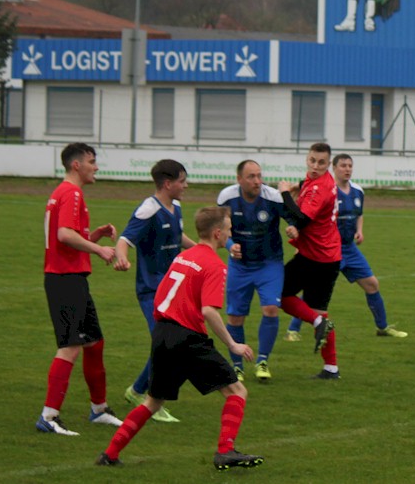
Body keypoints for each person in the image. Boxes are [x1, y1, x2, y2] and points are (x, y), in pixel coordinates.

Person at [96, 207, 264, 471]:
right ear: (218, 233)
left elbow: (162, 296)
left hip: (163, 332)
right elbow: (209, 310)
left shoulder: (183, 257)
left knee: (153, 401)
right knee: (237, 390)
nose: (230, 234)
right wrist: (232, 344)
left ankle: (110, 453)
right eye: (229, 229)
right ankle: (225, 451)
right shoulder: (215, 266)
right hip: (188, 338)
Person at [36, 142, 122, 436]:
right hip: (65, 279)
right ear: (77, 165)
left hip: (71, 278)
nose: (95, 166)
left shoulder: (64, 192)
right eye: (92, 161)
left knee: (94, 342)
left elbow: (67, 234)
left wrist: (93, 235)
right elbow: (63, 235)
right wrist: (99, 249)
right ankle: (49, 415)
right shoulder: (71, 192)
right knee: (70, 346)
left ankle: (99, 409)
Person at [285, 153, 407, 340]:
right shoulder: (327, 189)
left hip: (349, 249)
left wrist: (360, 230)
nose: (347, 169)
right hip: (327, 250)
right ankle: (293, 330)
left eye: (350, 165)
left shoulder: (358, 191)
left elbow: (359, 214)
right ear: (333, 168)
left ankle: (382, 327)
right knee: (312, 292)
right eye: (343, 165)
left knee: (372, 284)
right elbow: (310, 218)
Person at [113, 159, 195, 422]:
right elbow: (125, 239)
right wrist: (122, 257)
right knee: (167, 345)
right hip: (152, 291)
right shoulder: (149, 209)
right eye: (182, 181)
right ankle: (149, 400)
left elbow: (178, 238)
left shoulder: (177, 207)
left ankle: (137, 390)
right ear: (168, 183)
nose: (186, 185)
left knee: (170, 344)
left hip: (174, 289)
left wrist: (201, 252)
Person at [217, 160, 292, 382]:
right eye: (251, 177)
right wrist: (231, 246)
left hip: (269, 263)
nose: (257, 181)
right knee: (235, 316)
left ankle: (262, 361)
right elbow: (218, 230)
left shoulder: (273, 197)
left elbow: (294, 217)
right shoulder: (227, 198)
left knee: (270, 308)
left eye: (259, 175)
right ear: (239, 179)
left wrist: (293, 227)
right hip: (240, 266)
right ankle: (237, 366)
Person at [276, 142, 341, 379]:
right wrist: (297, 186)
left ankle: (315, 322)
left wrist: (284, 192)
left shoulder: (319, 188)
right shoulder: (317, 182)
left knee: (279, 295)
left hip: (315, 257)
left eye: (321, 163)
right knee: (320, 312)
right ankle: (331, 368)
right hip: (329, 256)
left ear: (328, 164)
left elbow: (301, 218)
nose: (315, 166)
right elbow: (307, 192)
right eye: (312, 160)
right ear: (307, 158)